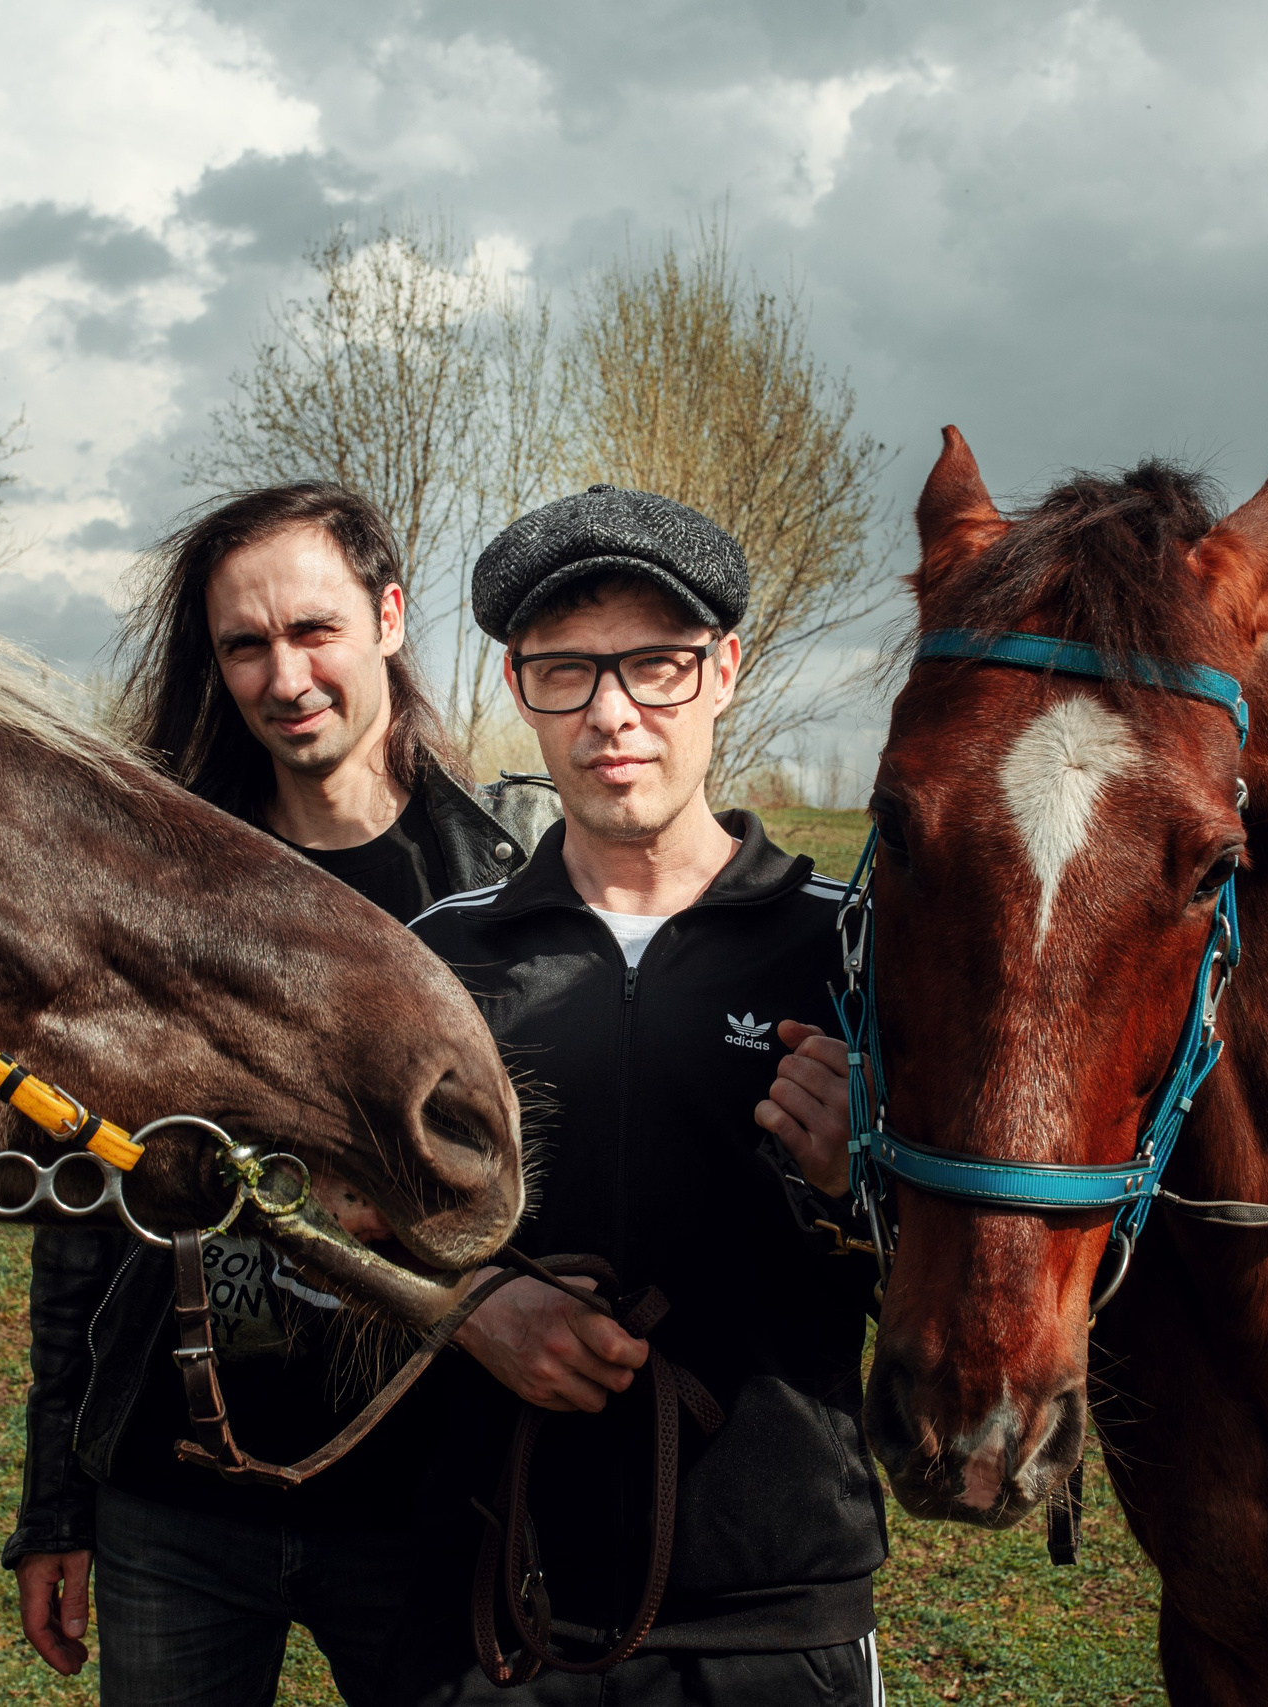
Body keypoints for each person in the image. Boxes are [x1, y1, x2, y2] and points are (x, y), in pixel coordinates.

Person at [3, 482, 558, 1706]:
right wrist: (57, 1505)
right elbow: (83, 1234)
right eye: (245, 645)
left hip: (431, 1511)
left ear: (390, 618)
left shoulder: (513, 884)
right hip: (176, 1506)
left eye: (313, 631)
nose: (284, 676)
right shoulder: (154, 893)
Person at [401, 484, 888, 1704]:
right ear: (520, 690)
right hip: (499, 1614)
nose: (612, 713)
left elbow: (986, 1286)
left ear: (722, 670)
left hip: (779, 1617)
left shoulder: (861, 955)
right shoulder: (434, 961)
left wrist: (860, 1180)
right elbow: (339, 1237)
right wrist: (469, 1308)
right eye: (566, 673)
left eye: (656, 666)